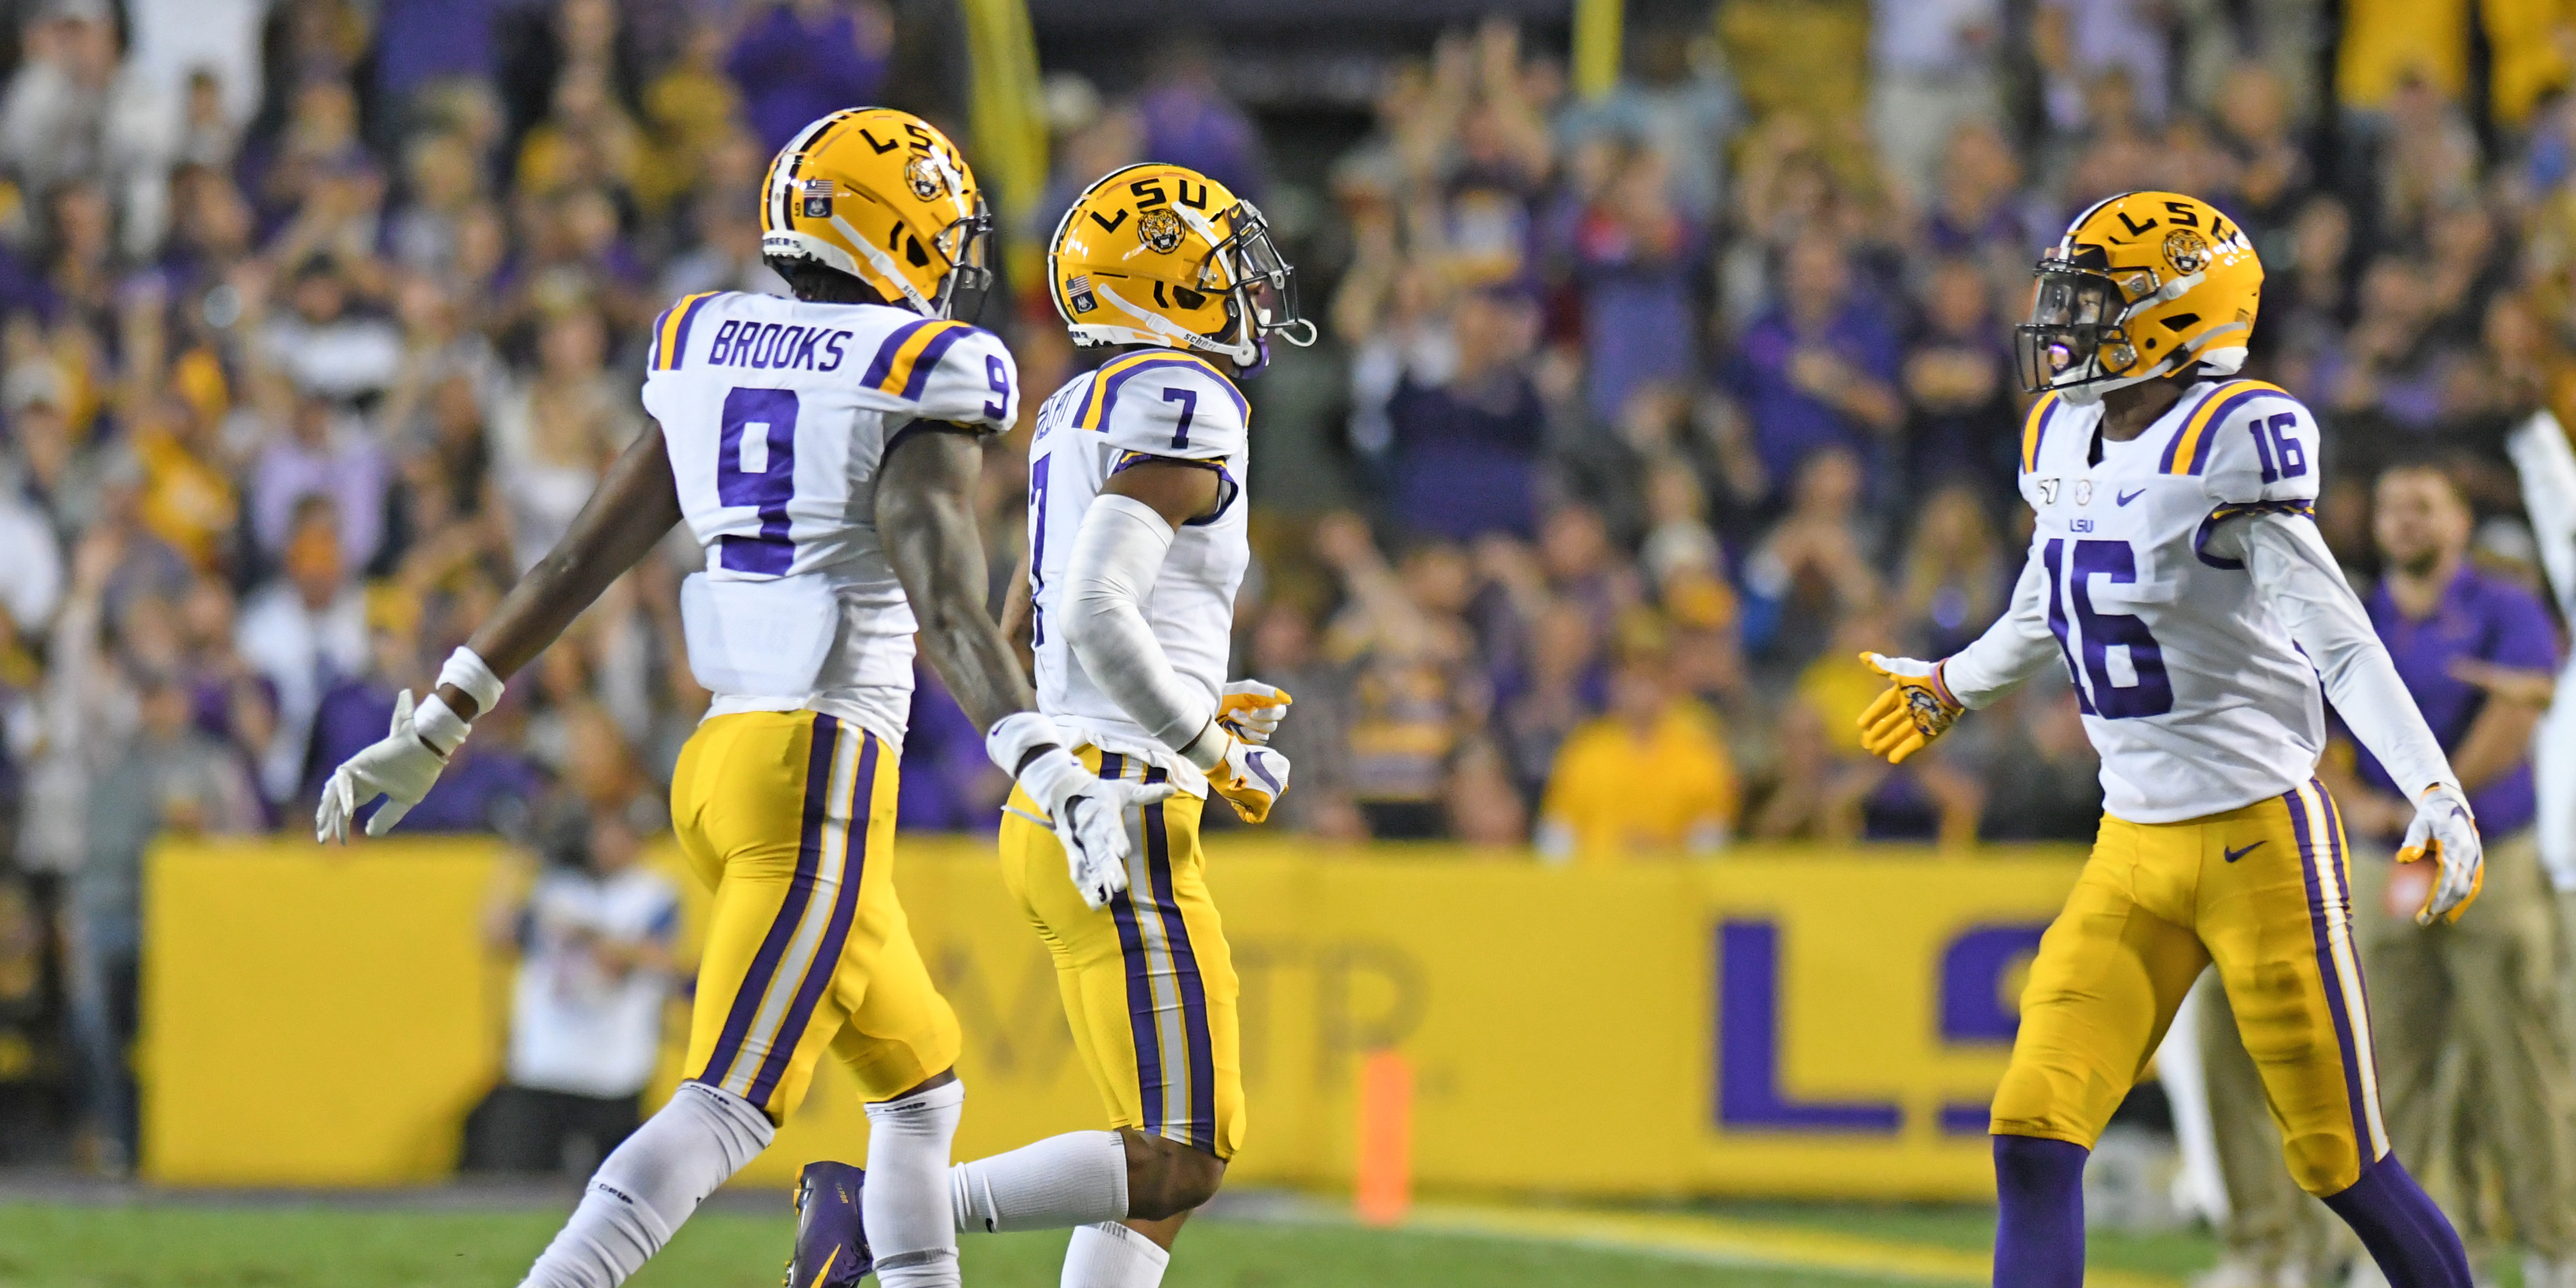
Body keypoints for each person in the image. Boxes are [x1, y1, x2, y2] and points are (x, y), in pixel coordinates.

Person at [313, 109, 1165, 1288]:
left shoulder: (712, 339)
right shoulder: (921, 369)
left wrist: (440, 722)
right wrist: (1054, 771)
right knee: (730, 1105)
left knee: (922, 1086)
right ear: (899, 231)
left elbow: (571, 563)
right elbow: (952, 612)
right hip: (815, 775)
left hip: (717, 767)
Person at [1857, 191, 2484, 1288]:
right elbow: (2046, 603)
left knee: (2344, 1164)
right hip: (2132, 847)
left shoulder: (2230, 438)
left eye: (2097, 303)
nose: (2067, 324)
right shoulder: (2060, 433)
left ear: (2181, 317)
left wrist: (2435, 790)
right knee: (2034, 1132)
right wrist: (1953, 685)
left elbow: (2343, 648)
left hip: (2261, 848)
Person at [790, 160, 1312, 1288]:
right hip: (1120, 808)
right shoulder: (1187, 399)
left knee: (1151, 1164)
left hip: (1071, 793)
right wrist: (1212, 749)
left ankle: (885, 1220)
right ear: (1166, 285)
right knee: (1185, 1153)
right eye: (1225, 268)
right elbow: (1087, 606)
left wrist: (1188, 699)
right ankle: (882, 1224)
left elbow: (1044, 614)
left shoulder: (1082, 402)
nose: (1251, 291)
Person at [2331, 463, 2571, 1286]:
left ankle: (2556, 1249)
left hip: (2492, 862)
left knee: (2523, 1069)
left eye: (2424, 506)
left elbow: (2519, 709)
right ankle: (2395, 1258)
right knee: (2386, 1069)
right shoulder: (2356, 610)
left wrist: (2438, 806)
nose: (2405, 521)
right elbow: (2315, 727)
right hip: (2386, 862)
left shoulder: (2505, 605)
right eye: (2394, 505)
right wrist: (2363, 804)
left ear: (2462, 522)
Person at [465, 801, 682, 1176]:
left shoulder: (653, 893)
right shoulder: (557, 888)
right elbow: (496, 934)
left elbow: (649, 960)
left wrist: (587, 934)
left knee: (613, 1195)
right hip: (546, 1060)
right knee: (522, 1188)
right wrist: (512, 862)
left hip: (614, 1066)